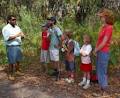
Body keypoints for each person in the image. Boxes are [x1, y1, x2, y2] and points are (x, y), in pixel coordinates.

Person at [93, 8, 115, 93]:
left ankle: (104, 92)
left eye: (102, 17)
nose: (100, 18)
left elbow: (104, 42)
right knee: (99, 70)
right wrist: (96, 49)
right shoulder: (103, 27)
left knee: (102, 71)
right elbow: (99, 40)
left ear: (106, 17)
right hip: (100, 51)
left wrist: (95, 50)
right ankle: (101, 89)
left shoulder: (109, 28)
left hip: (104, 52)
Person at [2, 15, 25, 80]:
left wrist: (22, 36)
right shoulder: (6, 28)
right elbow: (7, 38)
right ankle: (10, 75)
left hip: (18, 45)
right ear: (9, 20)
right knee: (11, 61)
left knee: (18, 60)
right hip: (11, 46)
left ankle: (17, 71)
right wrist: (17, 35)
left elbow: (21, 35)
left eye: (15, 19)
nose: (15, 21)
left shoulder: (17, 27)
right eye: (13, 19)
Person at [47, 16, 63, 80]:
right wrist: (49, 34)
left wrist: (59, 46)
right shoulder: (50, 29)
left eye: (50, 21)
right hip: (51, 47)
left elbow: (61, 38)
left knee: (56, 61)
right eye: (49, 21)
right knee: (53, 61)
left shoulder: (57, 29)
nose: (49, 22)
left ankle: (58, 75)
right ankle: (55, 72)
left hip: (55, 48)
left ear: (53, 21)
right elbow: (48, 39)